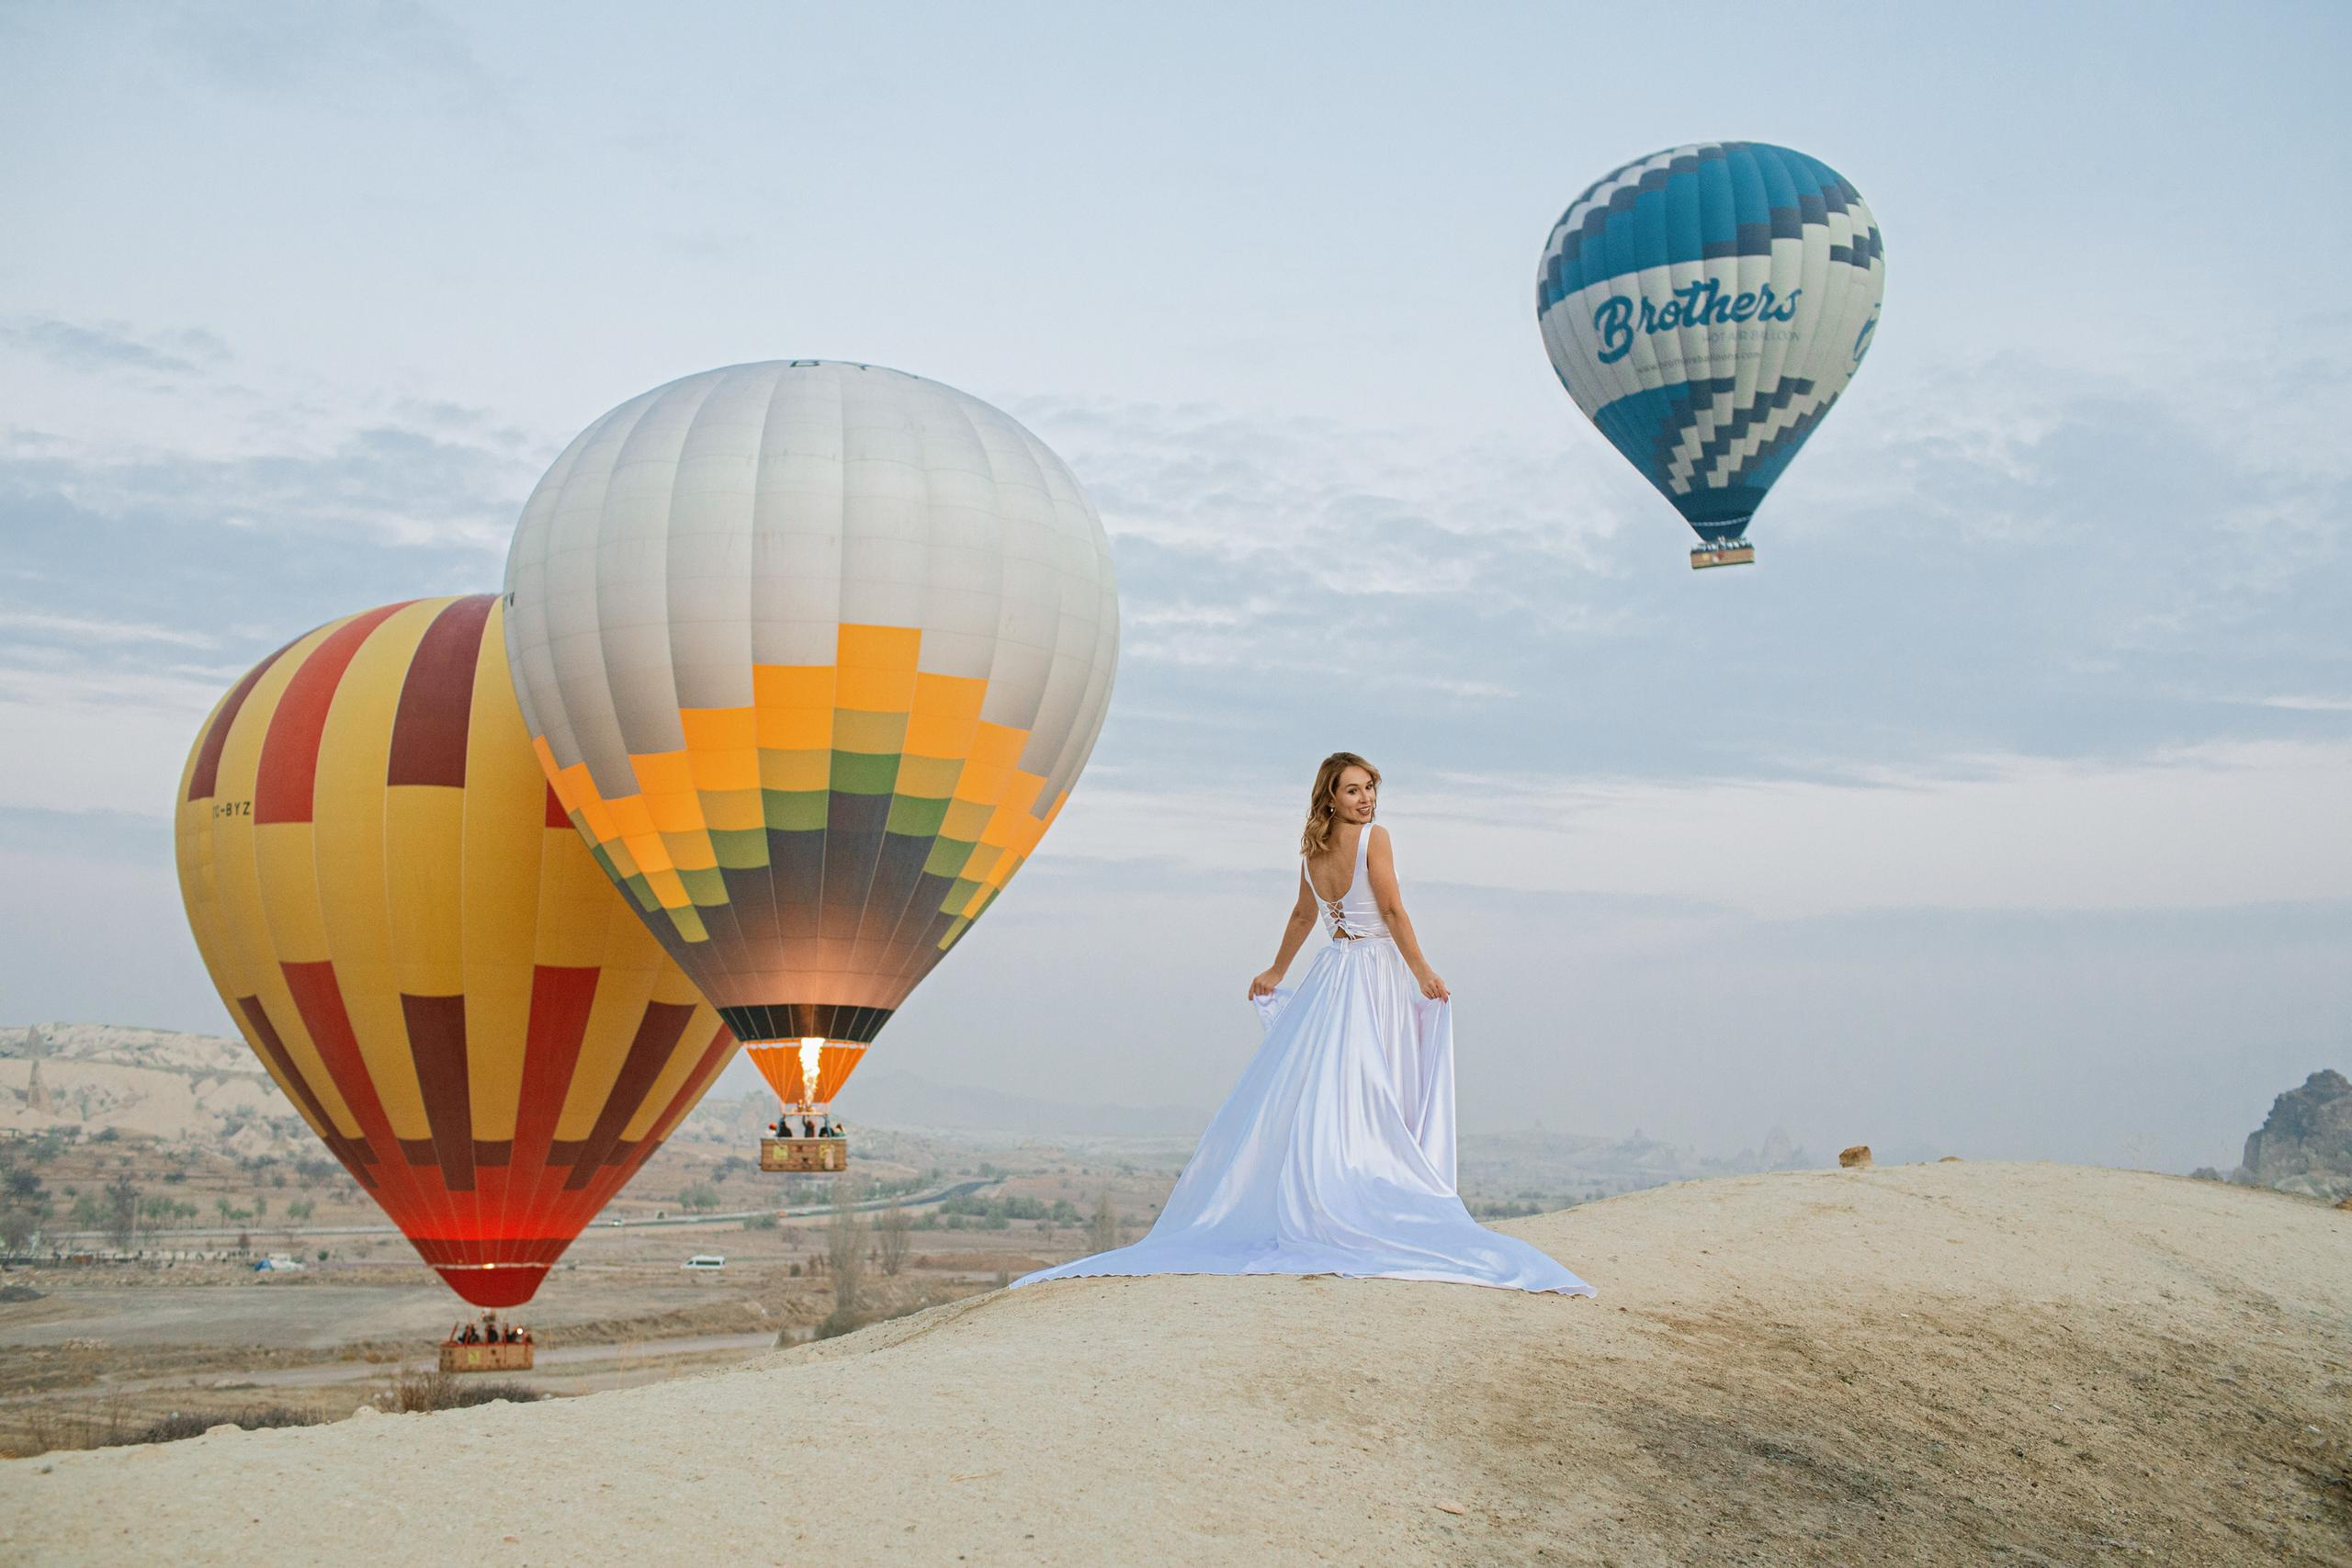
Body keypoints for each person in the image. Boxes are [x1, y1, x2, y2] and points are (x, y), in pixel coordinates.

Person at [1014, 752, 1594, 1297]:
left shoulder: (1313, 852)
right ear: (1332, 798)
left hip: (1334, 973)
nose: (1366, 800)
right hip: (1374, 973)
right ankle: (1369, 1186)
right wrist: (1422, 970)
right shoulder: (1375, 840)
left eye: (1371, 789)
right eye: (1353, 790)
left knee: (1338, 1086)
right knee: (1377, 1080)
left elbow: (1303, 913)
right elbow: (1390, 911)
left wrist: (1277, 969)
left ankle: (1338, 1184)